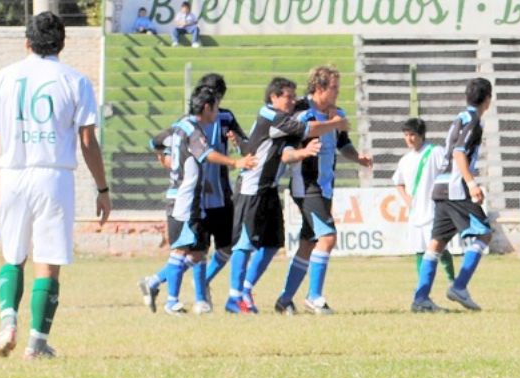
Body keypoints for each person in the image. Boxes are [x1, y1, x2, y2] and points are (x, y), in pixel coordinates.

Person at [0, 11, 112, 359]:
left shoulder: (5, 77)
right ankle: (36, 344)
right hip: (54, 176)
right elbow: (87, 141)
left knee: (13, 255)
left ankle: (8, 322)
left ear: (27, 42)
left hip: (12, 174)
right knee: (48, 260)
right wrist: (102, 188)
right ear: (62, 44)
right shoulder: (76, 81)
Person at [225, 77, 344, 314]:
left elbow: (254, 146)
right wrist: (334, 123)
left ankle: (255, 292)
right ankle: (234, 297)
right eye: (288, 96)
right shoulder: (272, 115)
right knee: (244, 244)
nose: (292, 100)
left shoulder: (286, 117)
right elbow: (301, 135)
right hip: (252, 188)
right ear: (274, 97)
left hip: (270, 188)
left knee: (272, 245)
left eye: (293, 96)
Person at [140, 87, 256, 315]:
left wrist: (168, 161)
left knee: (197, 251)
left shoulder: (179, 127)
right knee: (181, 250)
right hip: (185, 198)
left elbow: (157, 142)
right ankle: (171, 301)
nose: (218, 113)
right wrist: (235, 163)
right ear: (206, 108)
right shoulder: (193, 130)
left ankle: (161, 286)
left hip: (189, 197)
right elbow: (206, 154)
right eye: (215, 108)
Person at [272, 66, 372, 315]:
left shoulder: (337, 114)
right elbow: (287, 150)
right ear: (319, 88)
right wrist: (329, 127)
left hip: (325, 187)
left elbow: (343, 143)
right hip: (307, 186)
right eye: (334, 88)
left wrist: (357, 157)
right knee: (328, 237)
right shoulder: (302, 112)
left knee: (308, 243)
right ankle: (314, 297)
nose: (338, 92)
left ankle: (284, 300)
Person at [411, 78, 493, 313]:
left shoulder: (460, 117)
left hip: (440, 186)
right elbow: (459, 153)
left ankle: (421, 299)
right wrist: (472, 183)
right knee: (484, 234)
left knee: (436, 244)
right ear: (488, 99)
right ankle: (459, 286)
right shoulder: (473, 121)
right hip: (456, 188)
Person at [392, 118, 455, 281]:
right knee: (419, 250)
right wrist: (407, 200)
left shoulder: (435, 152)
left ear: (421, 135)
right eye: (406, 135)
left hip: (434, 211)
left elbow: (450, 172)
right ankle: (422, 287)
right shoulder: (405, 160)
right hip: (416, 213)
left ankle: (452, 281)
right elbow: (398, 182)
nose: (409, 138)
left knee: (438, 248)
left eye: (412, 134)